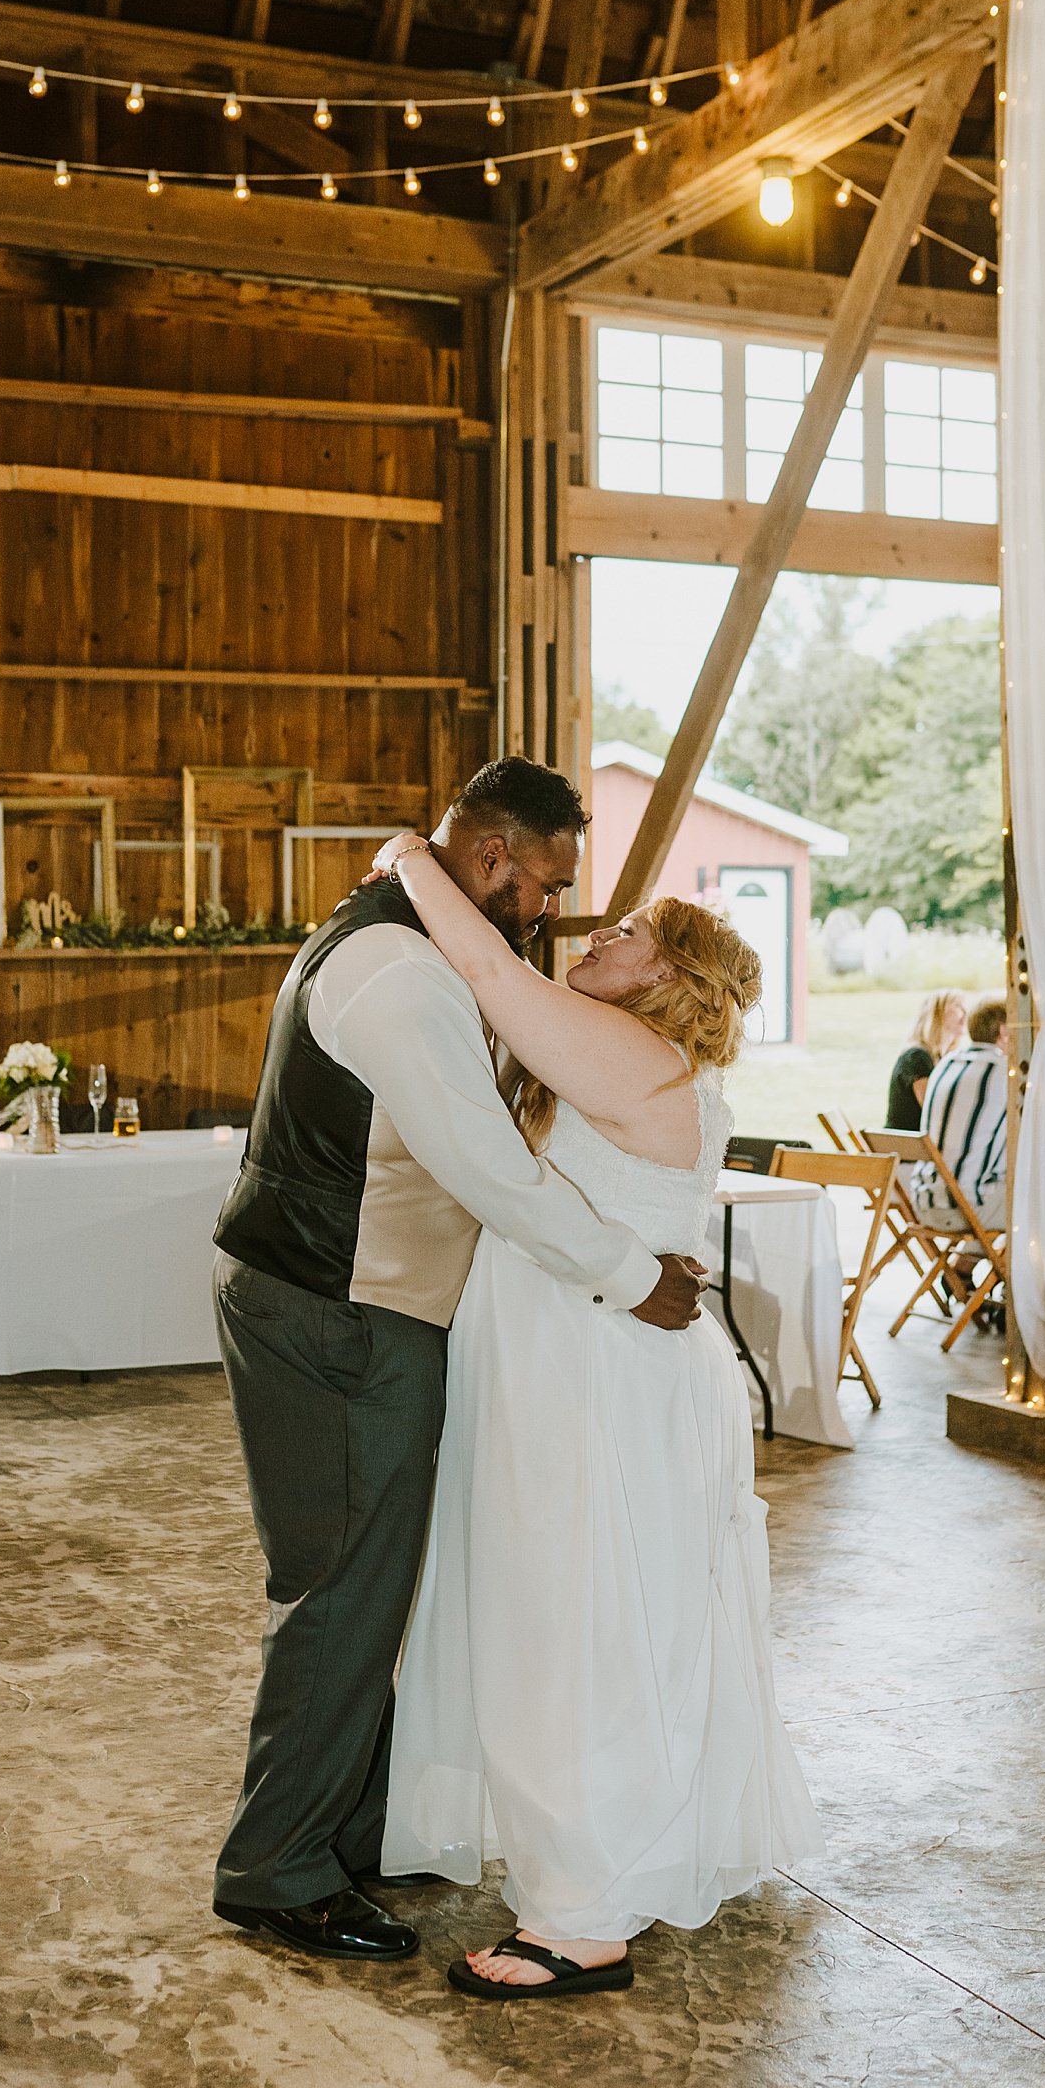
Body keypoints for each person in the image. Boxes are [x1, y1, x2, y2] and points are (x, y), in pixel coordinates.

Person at [208, 759, 710, 1965]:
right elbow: (487, 1167)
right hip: (338, 1307)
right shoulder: (395, 976)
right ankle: (278, 1868)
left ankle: (342, 1833)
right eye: (544, 886)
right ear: (492, 859)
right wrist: (633, 1276)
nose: (547, 914)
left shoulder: (412, 932)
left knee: (376, 1581)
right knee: (341, 1587)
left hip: (352, 1301)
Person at [374, 831, 823, 2002]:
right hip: (562, 1363)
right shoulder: (636, 1061)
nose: (602, 935)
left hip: (590, 1378)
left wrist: (406, 860)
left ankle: (582, 1918)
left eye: (630, 934)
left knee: (572, 1623)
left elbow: (491, 977)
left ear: (669, 979)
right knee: (571, 1616)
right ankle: (586, 1860)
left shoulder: (636, 1057)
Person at [911, 995, 1009, 1234]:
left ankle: (961, 1269)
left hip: (922, 1201)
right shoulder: (1005, 1072)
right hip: (964, 1209)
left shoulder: (947, 1063)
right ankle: (1001, 1272)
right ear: (1005, 1031)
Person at [886, 991, 967, 1130]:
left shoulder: (943, 1058)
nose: (965, 1012)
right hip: (906, 1145)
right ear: (938, 1014)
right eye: (958, 1005)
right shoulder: (916, 1057)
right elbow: (933, 1109)